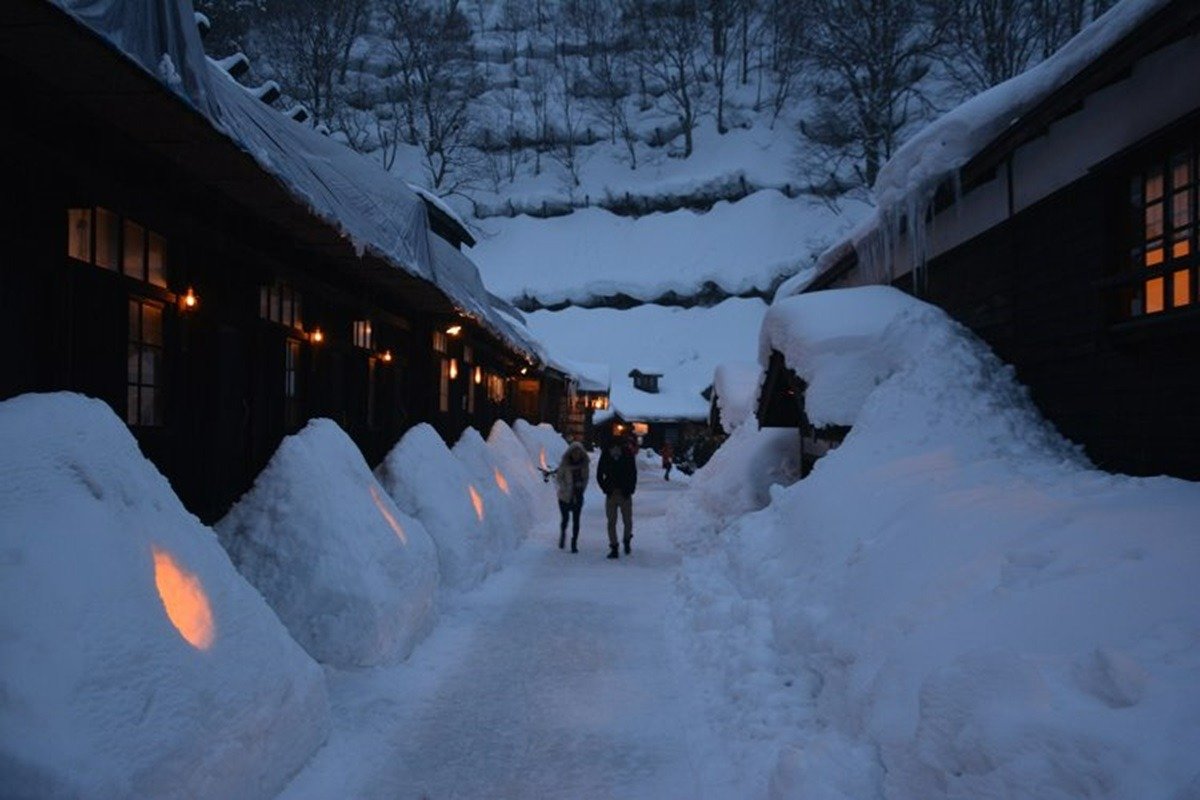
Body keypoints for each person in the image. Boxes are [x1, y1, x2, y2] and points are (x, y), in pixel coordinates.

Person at [596, 435, 637, 559]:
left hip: (616, 492)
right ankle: (621, 543)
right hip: (618, 493)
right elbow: (633, 473)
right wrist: (629, 489)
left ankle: (618, 544)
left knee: (615, 522)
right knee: (624, 521)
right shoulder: (624, 453)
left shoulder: (618, 454)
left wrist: (605, 487)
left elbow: (632, 473)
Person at [554, 442, 589, 553]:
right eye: (574, 452)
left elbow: (586, 479)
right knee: (565, 519)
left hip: (577, 495)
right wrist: (566, 487)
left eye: (579, 452)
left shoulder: (584, 465)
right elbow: (559, 478)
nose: (576, 454)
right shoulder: (565, 464)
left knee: (576, 520)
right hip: (564, 496)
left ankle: (574, 543)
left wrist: (581, 488)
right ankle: (563, 533)